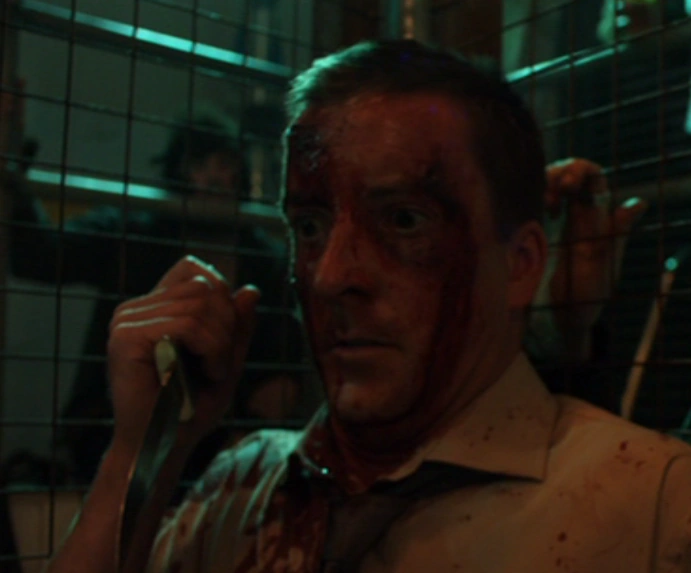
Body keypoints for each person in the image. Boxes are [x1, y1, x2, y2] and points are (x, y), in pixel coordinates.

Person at [45, 39, 689, 573]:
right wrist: (145, 446)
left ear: (520, 265)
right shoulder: (239, 487)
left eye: (404, 220)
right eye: (309, 227)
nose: (330, 277)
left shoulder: (655, 507)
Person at [2, 103, 305, 487]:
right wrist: (11, 156)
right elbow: (39, 257)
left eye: (224, 164)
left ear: (240, 172)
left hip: (220, 444)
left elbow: (284, 366)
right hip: (117, 430)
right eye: (199, 165)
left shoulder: (264, 259)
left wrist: (249, 436)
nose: (213, 177)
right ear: (179, 171)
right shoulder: (134, 234)